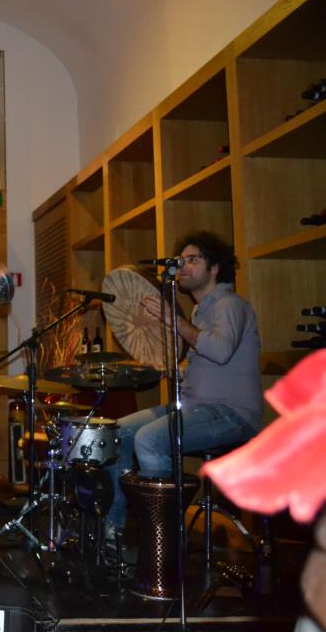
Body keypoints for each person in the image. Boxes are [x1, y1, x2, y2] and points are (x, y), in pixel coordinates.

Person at [105, 231, 262, 543]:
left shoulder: (230, 305)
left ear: (214, 268)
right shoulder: (199, 311)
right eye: (181, 260)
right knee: (116, 432)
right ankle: (115, 530)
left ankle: (163, 541)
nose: (183, 266)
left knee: (150, 440)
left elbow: (220, 351)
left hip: (231, 415)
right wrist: (172, 369)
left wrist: (171, 320)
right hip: (196, 409)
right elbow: (209, 365)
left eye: (193, 260)